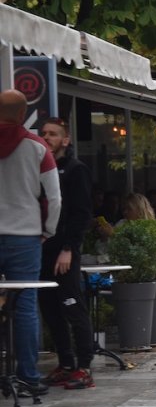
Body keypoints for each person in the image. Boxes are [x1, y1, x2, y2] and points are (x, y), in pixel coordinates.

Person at [0, 89, 62, 398]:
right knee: (24, 306)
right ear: (24, 115)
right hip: (25, 236)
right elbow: (53, 197)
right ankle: (27, 374)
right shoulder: (37, 147)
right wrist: (47, 231)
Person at [37, 117, 95, 390]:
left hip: (64, 251)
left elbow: (82, 213)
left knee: (73, 305)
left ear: (65, 140)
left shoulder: (75, 170)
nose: (47, 138)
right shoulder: (39, 168)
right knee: (50, 309)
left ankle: (84, 366)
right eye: (44, 133)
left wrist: (69, 248)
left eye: (53, 134)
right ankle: (66, 362)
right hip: (41, 250)